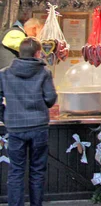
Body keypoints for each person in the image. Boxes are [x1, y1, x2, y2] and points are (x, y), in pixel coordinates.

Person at [0, 37, 57, 206]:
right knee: (37, 171)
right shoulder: (44, 72)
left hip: (15, 128)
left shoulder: (4, 74)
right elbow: (51, 98)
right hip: (39, 126)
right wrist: (41, 105)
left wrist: (5, 116)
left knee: (16, 171)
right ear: (37, 53)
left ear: (19, 52)